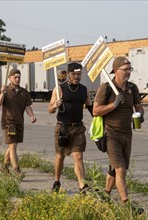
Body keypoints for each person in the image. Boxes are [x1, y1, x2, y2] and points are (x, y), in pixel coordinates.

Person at [93, 57, 145, 214]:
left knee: (115, 170)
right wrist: (114, 104)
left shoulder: (132, 88)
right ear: (116, 70)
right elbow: (96, 111)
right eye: (125, 69)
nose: (128, 72)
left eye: (130, 69)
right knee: (120, 169)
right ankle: (127, 205)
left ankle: (104, 195)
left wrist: (140, 115)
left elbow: (139, 106)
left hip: (127, 134)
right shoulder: (106, 88)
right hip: (111, 134)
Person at [47, 62, 93, 193]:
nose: (76, 77)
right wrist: (55, 105)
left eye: (79, 74)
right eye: (73, 74)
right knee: (60, 156)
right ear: (67, 74)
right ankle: (57, 181)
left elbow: (91, 107)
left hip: (78, 128)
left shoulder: (84, 90)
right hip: (63, 128)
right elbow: (49, 109)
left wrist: (100, 117)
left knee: (78, 156)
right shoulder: (59, 89)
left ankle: (82, 186)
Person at [0, 68, 36, 179]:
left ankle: (4, 167)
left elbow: (28, 106)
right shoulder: (5, 90)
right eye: (15, 77)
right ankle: (17, 170)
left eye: (19, 77)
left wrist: (31, 115)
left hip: (19, 123)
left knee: (12, 146)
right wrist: (2, 94)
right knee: (12, 146)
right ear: (9, 78)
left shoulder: (24, 92)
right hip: (8, 123)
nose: (17, 79)